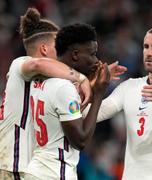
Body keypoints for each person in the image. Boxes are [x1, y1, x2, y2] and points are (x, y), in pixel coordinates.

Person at [0, 8, 94, 180]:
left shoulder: (43, 83)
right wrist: (81, 78)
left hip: (21, 167)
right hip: (12, 167)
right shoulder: (21, 64)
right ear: (44, 49)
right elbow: (37, 65)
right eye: (58, 47)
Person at [84, 26, 152, 180]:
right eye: (146, 46)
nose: (149, 52)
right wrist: (89, 86)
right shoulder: (130, 87)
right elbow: (90, 115)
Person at [25, 23, 110, 180]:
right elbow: (81, 141)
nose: (96, 60)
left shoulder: (39, 80)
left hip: (36, 169)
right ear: (76, 55)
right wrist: (98, 94)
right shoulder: (64, 88)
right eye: (92, 54)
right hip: (55, 172)